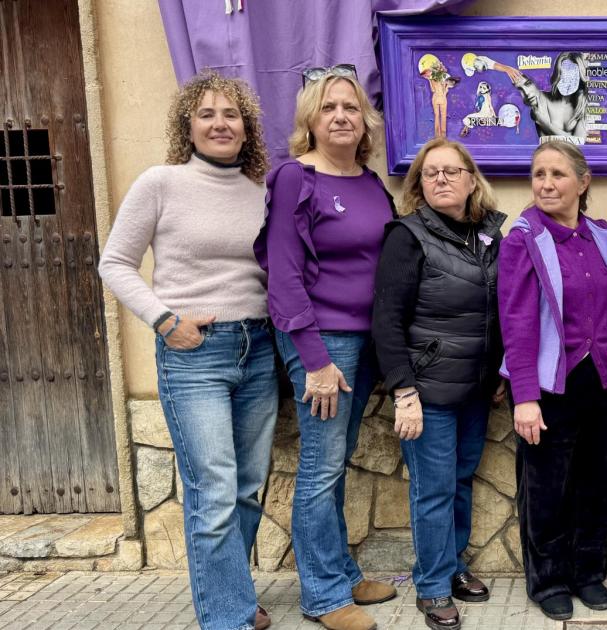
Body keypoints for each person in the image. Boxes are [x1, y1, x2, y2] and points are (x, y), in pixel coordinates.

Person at [99, 70, 275, 630]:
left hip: (259, 348)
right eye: (207, 114)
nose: (220, 124)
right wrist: (164, 320)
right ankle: (227, 619)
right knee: (215, 491)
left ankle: (234, 598)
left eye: (231, 114)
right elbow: (114, 263)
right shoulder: (161, 183)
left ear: (247, 128)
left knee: (246, 489)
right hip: (195, 352)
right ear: (188, 126)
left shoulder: (262, 190)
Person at [255, 67, 397, 630]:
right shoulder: (296, 177)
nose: (341, 116)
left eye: (351, 107)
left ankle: (340, 571)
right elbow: (284, 275)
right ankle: (321, 595)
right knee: (320, 467)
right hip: (321, 340)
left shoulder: (370, 181)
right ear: (309, 121)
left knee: (335, 463)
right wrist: (314, 360)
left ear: (365, 121)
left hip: (364, 341)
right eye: (328, 107)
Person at [497, 141, 607, 621]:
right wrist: (524, 397)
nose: (547, 184)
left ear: (583, 182)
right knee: (546, 489)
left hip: (606, 379)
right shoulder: (523, 239)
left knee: (599, 483)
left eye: (558, 174)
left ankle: (588, 573)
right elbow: (516, 322)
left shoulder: (602, 234)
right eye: (539, 174)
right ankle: (549, 580)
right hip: (550, 386)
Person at [372, 138, 506, 630]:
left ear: (472, 180)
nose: (441, 179)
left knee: (460, 480)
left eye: (452, 171)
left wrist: (496, 373)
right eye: (431, 173)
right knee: (432, 490)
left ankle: (452, 566)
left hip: (474, 388)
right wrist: (404, 391)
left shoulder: (489, 234)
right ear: (419, 185)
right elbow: (386, 319)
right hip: (427, 390)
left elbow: (497, 310)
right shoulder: (407, 236)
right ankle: (431, 586)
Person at [505, 51, 589, 141]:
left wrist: (546, 124)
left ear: (580, 77)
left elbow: (579, 143)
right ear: (557, 75)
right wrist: (570, 136)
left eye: (572, 76)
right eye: (562, 74)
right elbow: (547, 142)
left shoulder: (583, 105)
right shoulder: (541, 100)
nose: (566, 80)